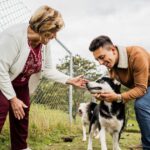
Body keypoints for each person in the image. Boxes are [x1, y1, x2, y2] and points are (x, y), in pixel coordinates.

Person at [0, 5, 87, 150]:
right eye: (53, 32)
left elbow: (47, 69)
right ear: (44, 28)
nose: (55, 36)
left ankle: (20, 148)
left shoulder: (43, 42)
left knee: (22, 116)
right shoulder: (13, 37)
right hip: (2, 81)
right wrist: (13, 99)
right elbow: (1, 70)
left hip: (20, 83)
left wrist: (69, 80)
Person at [88, 35, 150, 149]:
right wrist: (102, 96)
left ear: (112, 50)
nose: (100, 63)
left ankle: (148, 145)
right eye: (97, 59)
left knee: (141, 105)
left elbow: (141, 89)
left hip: (146, 86)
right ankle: (146, 139)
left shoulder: (137, 55)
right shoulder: (111, 64)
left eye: (102, 57)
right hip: (143, 87)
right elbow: (114, 87)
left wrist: (118, 97)